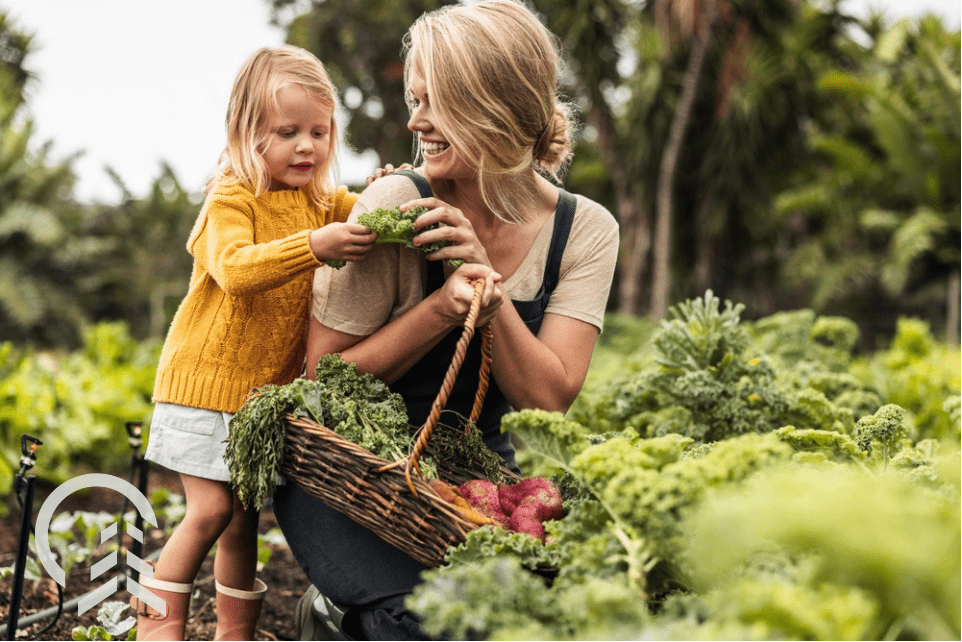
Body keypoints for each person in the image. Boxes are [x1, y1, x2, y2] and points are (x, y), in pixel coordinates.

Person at [272, 1, 620, 639]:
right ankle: (329, 615)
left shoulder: (584, 231)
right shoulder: (397, 203)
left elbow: (548, 396)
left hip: (471, 478)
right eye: (413, 99)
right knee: (427, 625)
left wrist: (489, 291)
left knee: (552, 617)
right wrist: (440, 309)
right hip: (352, 474)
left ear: (491, 106)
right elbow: (322, 378)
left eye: (432, 102)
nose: (414, 121)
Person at [138, 45, 378, 641]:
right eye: (288, 131)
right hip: (203, 386)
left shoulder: (320, 201)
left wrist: (386, 188)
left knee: (243, 521)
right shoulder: (231, 197)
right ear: (248, 133)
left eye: (319, 132)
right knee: (211, 512)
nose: (307, 146)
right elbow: (238, 269)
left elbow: (370, 214)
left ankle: (233, 634)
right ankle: (155, 629)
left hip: (254, 404)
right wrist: (315, 245)